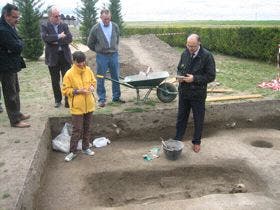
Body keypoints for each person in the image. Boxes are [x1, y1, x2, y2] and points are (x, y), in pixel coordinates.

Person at [174, 34, 216, 153]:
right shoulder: (185, 53)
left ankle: (197, 142)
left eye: (193, 46)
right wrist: (179, 76)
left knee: (198, 118)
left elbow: (211, 76)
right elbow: (179, 68)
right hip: (184, 92)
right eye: (188, 45)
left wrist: (194, 79)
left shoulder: (207, 56)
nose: (190, 48)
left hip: (198, 93)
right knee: (181, 117)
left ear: (199, 44)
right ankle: (178, 138)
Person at [62, 51, 96, 162]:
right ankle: (72, 151)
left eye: (83, 62)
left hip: (89, 105)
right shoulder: (69, 74)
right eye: (79, 63)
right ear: (74, 61)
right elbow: (65, 90)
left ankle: (86, 147)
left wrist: (91, 87)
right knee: (77, 129)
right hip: (77, 107)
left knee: (87, 127)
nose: (81, 65)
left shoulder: (89, 70)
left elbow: (93, 81)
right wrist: (77, 91)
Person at [0, 3, 30, 128]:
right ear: (6, 16)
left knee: (16, 90)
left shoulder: (10, 26)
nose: (17, 20)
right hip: (5, 66)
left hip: (12, 63)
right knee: (10, 93)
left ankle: (17, 113)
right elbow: (17, 46)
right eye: (15, 17)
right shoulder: (2, 30)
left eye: (18, 17)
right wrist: (17, 45)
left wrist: (17, 44)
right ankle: (15, 120)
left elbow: (18, 42)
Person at [87, 9, 124, 108]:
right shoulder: (95, 28)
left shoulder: (115, 26)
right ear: (101, 18)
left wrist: (114, 48)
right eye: (104, 19)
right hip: (101, 56)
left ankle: (116, 97)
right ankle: (102, 99)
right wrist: (98, 50)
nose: (106, 21)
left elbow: (117, 40)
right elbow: (90, 43)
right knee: (100, 77)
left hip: (114, 55)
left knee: (115, 76)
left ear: (110, 17)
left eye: (108, 19)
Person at [41, 6, 72, 108]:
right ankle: (57, 100)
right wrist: (59, 36)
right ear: (50, 16)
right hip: (52, 57)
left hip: (65, 56)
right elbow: (45, 38)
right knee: (55, 80)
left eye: (59, 15)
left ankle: (68, 100)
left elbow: (69, 39)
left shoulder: (64, 25)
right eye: (56, 16)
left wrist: (54, 40)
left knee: (67, 80)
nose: (58, 17)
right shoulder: (45, 26)